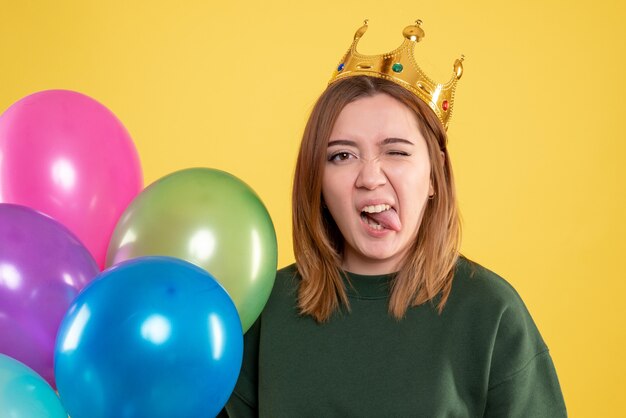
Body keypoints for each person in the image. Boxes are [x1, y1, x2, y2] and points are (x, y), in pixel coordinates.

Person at [220, 20, 567, 417]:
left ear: (435, 173)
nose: (369, 177)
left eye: (397, 151)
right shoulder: (266, 311)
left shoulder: (491, 314)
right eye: (342, 155)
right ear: (317, 179)